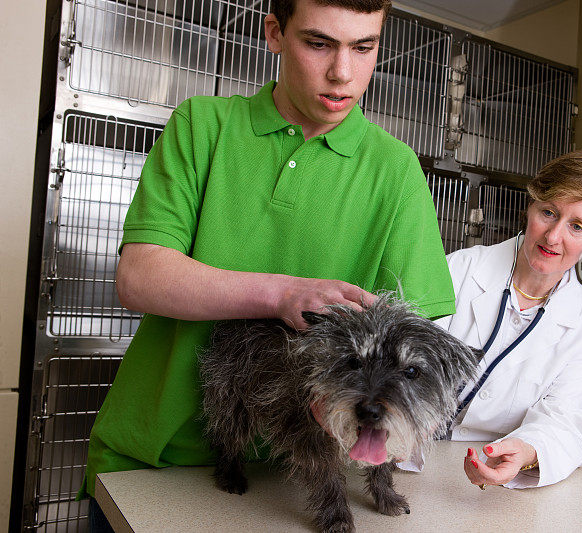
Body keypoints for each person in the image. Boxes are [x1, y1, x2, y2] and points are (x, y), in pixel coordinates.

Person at [79, 0, 456, 519]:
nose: (343, 73)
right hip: (154, 460)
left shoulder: (395, 169)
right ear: (275, 33)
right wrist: (282, 294)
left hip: (307, 477)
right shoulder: (203, 125)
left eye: (363, 47)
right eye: (318, 43)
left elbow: (420, 330)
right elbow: (139, 276)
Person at [422, 150, 582, 489]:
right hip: (402, 457)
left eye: (577, 227)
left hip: (484, 478)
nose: (553, 236)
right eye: (548, 212)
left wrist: (528, 451)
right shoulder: (458, 270)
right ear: (531, 205)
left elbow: (561, 418)